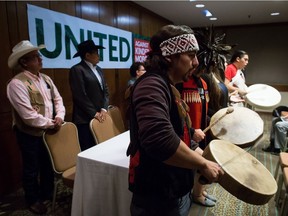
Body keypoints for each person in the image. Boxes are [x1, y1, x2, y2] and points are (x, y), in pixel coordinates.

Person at [126, 24, 224, 216]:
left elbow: (179, 134)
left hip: (170, 190)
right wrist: (203, 164)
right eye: (191, 55)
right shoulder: (152, 85)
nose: (196, 63)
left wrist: (202, 155)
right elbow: (159, 139)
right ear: (170, 56)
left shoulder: (168, 85)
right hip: (156, 197)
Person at [6, 40, 65, 214]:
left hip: (48, 131)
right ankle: (32, 199)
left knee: (47, 164)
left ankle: (46, 193)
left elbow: (58, 100)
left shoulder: (46, 79)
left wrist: (59, 116)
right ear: (24, 62)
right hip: (29, 133)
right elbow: (28, 116)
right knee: (31, 167)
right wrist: (50, 123)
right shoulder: (16, 84)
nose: (40, 59)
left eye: (39, 56)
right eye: (35, 57)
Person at [69, 40, 109, 151]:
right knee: (88, 150)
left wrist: (104, 109)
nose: (98, 55)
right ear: (87, 55)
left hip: (100, 116)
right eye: (96, 52)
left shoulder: (99, 69)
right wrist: (94, 113)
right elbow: (80, 95)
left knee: (100, 147)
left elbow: (105, 90)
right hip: (84, 119)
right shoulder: (77, 70)